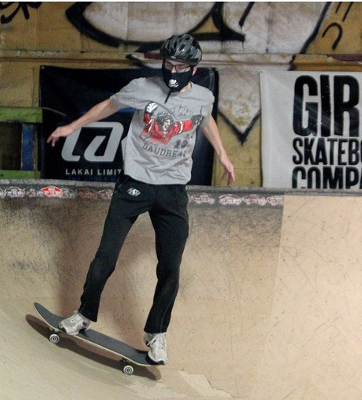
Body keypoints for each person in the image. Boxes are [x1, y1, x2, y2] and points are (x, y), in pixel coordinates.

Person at [45, 34, 235, 364]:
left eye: (180, 67)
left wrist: (223, 154)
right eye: (168, 65)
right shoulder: (142, 87)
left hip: (173, 192)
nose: (172, 72)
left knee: (170, 267)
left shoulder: (203, 96)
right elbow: (108, 106)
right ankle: (84, 314)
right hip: (134, 185)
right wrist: (72, 126)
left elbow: (207, 120)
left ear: (194, 68)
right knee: (105, 257)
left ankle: (156, 333)